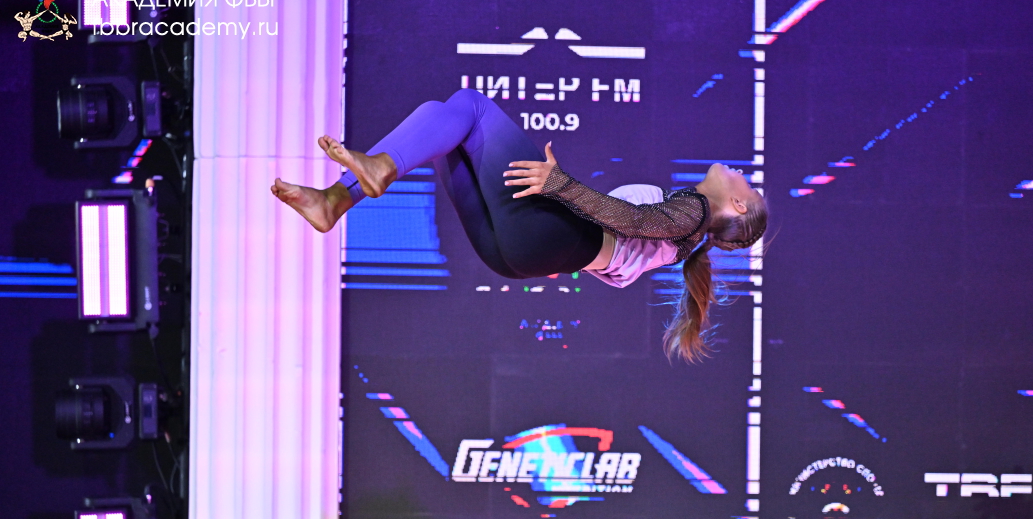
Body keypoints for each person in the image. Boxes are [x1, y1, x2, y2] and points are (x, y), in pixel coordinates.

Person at [271, 89, 767, 362]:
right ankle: (335, 200)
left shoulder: (693, 214)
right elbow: (627, 244)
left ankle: (363, 180)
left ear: (739, 207)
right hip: (519, 255)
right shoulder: (682, 232)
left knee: (470, 106)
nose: (739, 172)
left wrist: (560, 185)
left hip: (554, 234)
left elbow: (632, 220)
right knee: (442, 127)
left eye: (746, 183)